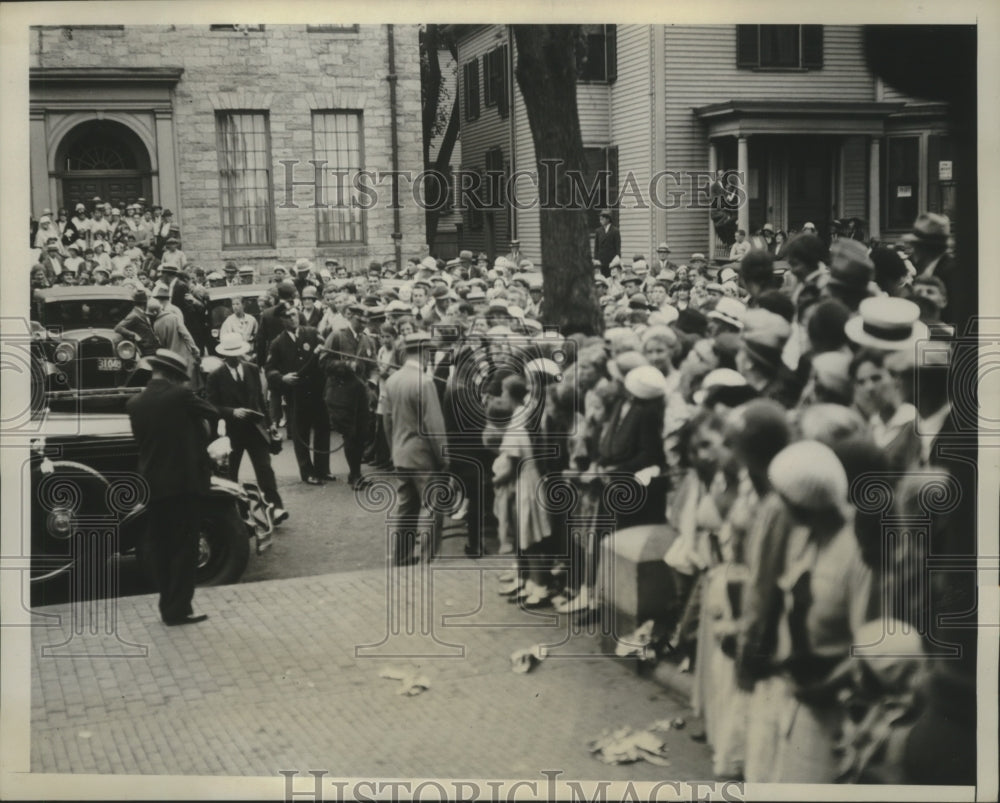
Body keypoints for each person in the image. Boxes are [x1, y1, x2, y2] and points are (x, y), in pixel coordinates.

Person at [126, 349, 219, 626]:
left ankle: (168, 607)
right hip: (183, 485)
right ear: (174, 376)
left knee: (162, 547)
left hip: (153, 485)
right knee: (184, 548)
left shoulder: (134, 403)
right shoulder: (180, 396)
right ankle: (179, 610)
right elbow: (211, 411)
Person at [382, 332, 449, 566]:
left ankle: (401, 555)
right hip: (423, 457)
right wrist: (443, 456)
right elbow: (434, 425)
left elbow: (387, 421)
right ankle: (430, 558)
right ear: (425, 352)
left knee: (406, 508)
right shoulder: (425, 382)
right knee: (432, 508)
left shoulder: (392, 380)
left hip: (400, 454)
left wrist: (394, 450)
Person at [206, 333, 288, 523]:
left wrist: (271, 425)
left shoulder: (251, 369)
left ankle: (275, 508)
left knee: (265, 470)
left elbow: (260, 401)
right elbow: (211, 406)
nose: (234, 358)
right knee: (230, 473)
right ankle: (236, 514)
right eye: (230, 355)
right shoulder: (215, 376)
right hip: (231, 434)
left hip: (255, 430)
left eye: (237, 354)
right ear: (224, 356)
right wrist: (232, 411)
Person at [265, 304, 331, 485]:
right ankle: (307, 471)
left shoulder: (312, 332)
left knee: (322, 429)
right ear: (282, 320)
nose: (292, 318)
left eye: (294, 314)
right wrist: (282, 377)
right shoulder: (277, 343)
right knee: (300, 434)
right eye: (288, 316)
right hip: (297, 394)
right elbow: (269, 370)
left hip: (317, 391)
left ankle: (323, 469)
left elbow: (327, 354)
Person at [114, 288, 160, 356]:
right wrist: (134, 335)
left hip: (150, 347)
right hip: (145, 348)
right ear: (145, 303)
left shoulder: (139, 313)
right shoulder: (134, 315)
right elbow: (118, 328)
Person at [593, 209, 621, 277]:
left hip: (612, 262)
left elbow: (617, 247)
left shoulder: (615, 231)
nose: (601, 219)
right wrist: (596, 259)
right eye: (600, 217)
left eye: (603, 217)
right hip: (601, 261)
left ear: (608, 219)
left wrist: (617, 259)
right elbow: (596, 247)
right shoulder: (598, 231)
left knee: (612, 278)